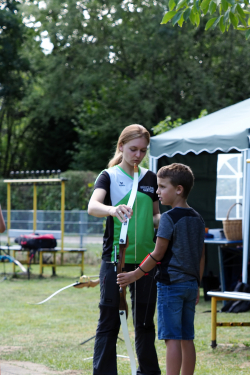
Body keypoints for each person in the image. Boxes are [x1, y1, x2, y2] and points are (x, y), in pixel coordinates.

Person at [117, 163, 206, 375]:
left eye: (162, 187)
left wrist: (134, 274)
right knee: (187, 337)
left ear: (179, 189)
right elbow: (202, 255)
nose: (157, 191)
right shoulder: (198, 218)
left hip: (170, 286)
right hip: (190, 286)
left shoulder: (168, 218)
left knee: (172, 338)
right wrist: (197, 285)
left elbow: (157, 253)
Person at [88, 124, 161, 375]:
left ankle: (148, 372)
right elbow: (93, 206)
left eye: (143, 150)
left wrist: (168, 221)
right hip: (115, 260)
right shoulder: (108, 176)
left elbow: (155, 216)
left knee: (144, 323)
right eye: (133, 149)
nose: (138, 155)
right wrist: (112, 209)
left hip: (147, 262)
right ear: (121, 147)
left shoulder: (151, 178)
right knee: (109, 322)